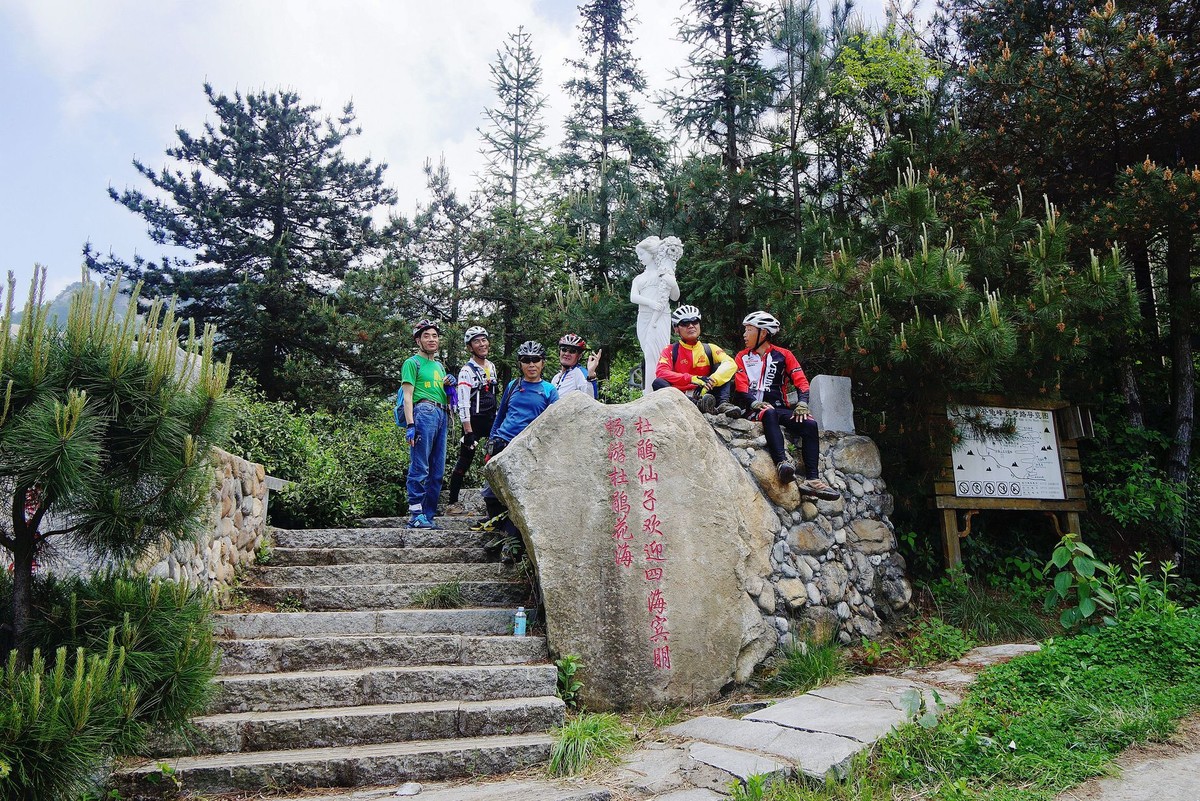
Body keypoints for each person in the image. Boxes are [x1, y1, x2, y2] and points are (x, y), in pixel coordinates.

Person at [729, 310, 841, 501]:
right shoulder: (742, 357)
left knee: (810, 425)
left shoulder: (784, 355)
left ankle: (812, 480)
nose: (744, 335)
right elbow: (741, 387)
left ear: (763, 333)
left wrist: (803, 403)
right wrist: (754, 402)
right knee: (769, 412)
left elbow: (801, 382)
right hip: (753, 408)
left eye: (749, 330)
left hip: (780, 407)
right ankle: (782, 463)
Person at [475, 341, 559, 534]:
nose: (531, 364)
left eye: (535, 360)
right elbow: (501, 414)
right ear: (520, 364)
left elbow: (555, 423)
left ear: (543, 363)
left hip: (527, 448)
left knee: (519, 495)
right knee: (490, 493)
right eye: (526, 360)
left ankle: (508, 540)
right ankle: (498, 531)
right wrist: (491, 441)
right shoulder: (513, 385)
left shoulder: (549, 390)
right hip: (503, 443)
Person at [397, 319, 451, 529]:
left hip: (441, 413)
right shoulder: (412, 363)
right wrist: (411, 425)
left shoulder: (438, 366)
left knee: (437, 470)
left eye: (435, 336)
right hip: (423, 412)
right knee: (420, 466)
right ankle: (416, 513)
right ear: (418, 340)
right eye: (426, 336)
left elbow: (444, 395)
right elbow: (408, 396)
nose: (431, 339)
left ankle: (428, 515)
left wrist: (449, 387)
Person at [445, 326, 498, 515]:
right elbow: (463, 403)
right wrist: (468, 431)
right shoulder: (466, 371)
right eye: (477, 341)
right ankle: (452, 503)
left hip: (491, 421)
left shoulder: (491, 366)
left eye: (484, 340)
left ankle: (496, 503)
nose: (482, 344)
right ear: (470, 347)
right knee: (464, 461)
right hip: (473, 423)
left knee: (496, 460)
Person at [652, 304, 738, 415]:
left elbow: (731, 364)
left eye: (695, 321)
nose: (691, 326)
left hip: (705, 393)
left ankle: (723, 404)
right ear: (676, 329)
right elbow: (661, 372)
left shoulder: (710, 348)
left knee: (721, 368)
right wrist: (692, 378)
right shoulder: (670, 350)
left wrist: (712, 380)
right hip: (680, 395)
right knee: (658, 382)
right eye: (685, 323)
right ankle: (696, 405)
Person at [630, 236, 682, 391]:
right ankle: (651, 388)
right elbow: (633, 297)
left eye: (641, 254)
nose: (639, 258)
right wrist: (651, 303)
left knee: (658, 353)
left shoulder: (664, 273)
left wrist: (672, 283)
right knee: (648, 353)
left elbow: (674, 296)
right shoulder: (639, 278)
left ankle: (655, 389)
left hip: (661, 317)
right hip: (645, 317)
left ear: (652, 253)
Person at [550, 333, 602, 398]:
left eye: (572, 351)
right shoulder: (556, 378)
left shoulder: (580, 373)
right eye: (564, 349)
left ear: (579, 356)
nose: (566, 353)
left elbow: (591, 398)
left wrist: (591, 375)